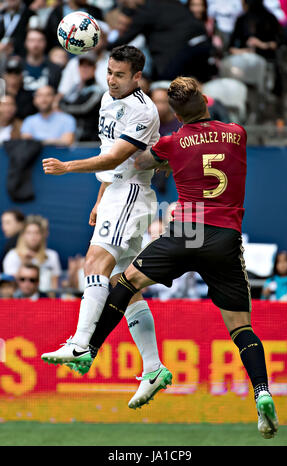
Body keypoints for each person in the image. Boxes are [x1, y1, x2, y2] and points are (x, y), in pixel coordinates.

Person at [76, 77, 278, 438]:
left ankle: (89, 349)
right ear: (204, 101)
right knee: (241, 327)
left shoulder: (172, 142)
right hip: (225, 237)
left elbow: (138, 162)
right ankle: (262, 391)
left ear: (174, 113)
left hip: (188, 230)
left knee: (126, 282)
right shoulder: (237, 132)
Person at [41, 45, 172, 408]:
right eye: (109, 72)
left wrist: (67, 167)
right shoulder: (106, 97)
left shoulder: (143, 111)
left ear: (137, 77)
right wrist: (100, 198)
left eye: (119, 74)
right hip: (114, 191)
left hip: (132, 193)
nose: (111, 79)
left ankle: (81, 343)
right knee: (122, 285)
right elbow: (107, 156)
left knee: (93, 263)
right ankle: (154, 369)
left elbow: (117, 157)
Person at [2, 215, 62, 293]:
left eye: (37, 233)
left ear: (42, 235)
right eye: (29, 233)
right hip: (18, 301)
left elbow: (54, 287)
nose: (33, 236)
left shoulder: (52, 256)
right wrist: (24, 264)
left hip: (45, 301)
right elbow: (9, 288)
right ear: (23, 235)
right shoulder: (12, 255)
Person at [59, 52, 103, 142]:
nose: (84, 69)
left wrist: (61, 108)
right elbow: (63, 100)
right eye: (82, 65)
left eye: (88, 66)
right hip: (73, 135)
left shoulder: (98, 90)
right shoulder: (75, 87)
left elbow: (84, 109)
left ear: (95, 68)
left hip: (89, 139)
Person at [22, 28, 62, 95]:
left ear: (45, 43)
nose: (36, 45)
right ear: (25, 42)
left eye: (40, 41)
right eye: (32, 40)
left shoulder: (55, 69)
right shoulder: (17, 67)